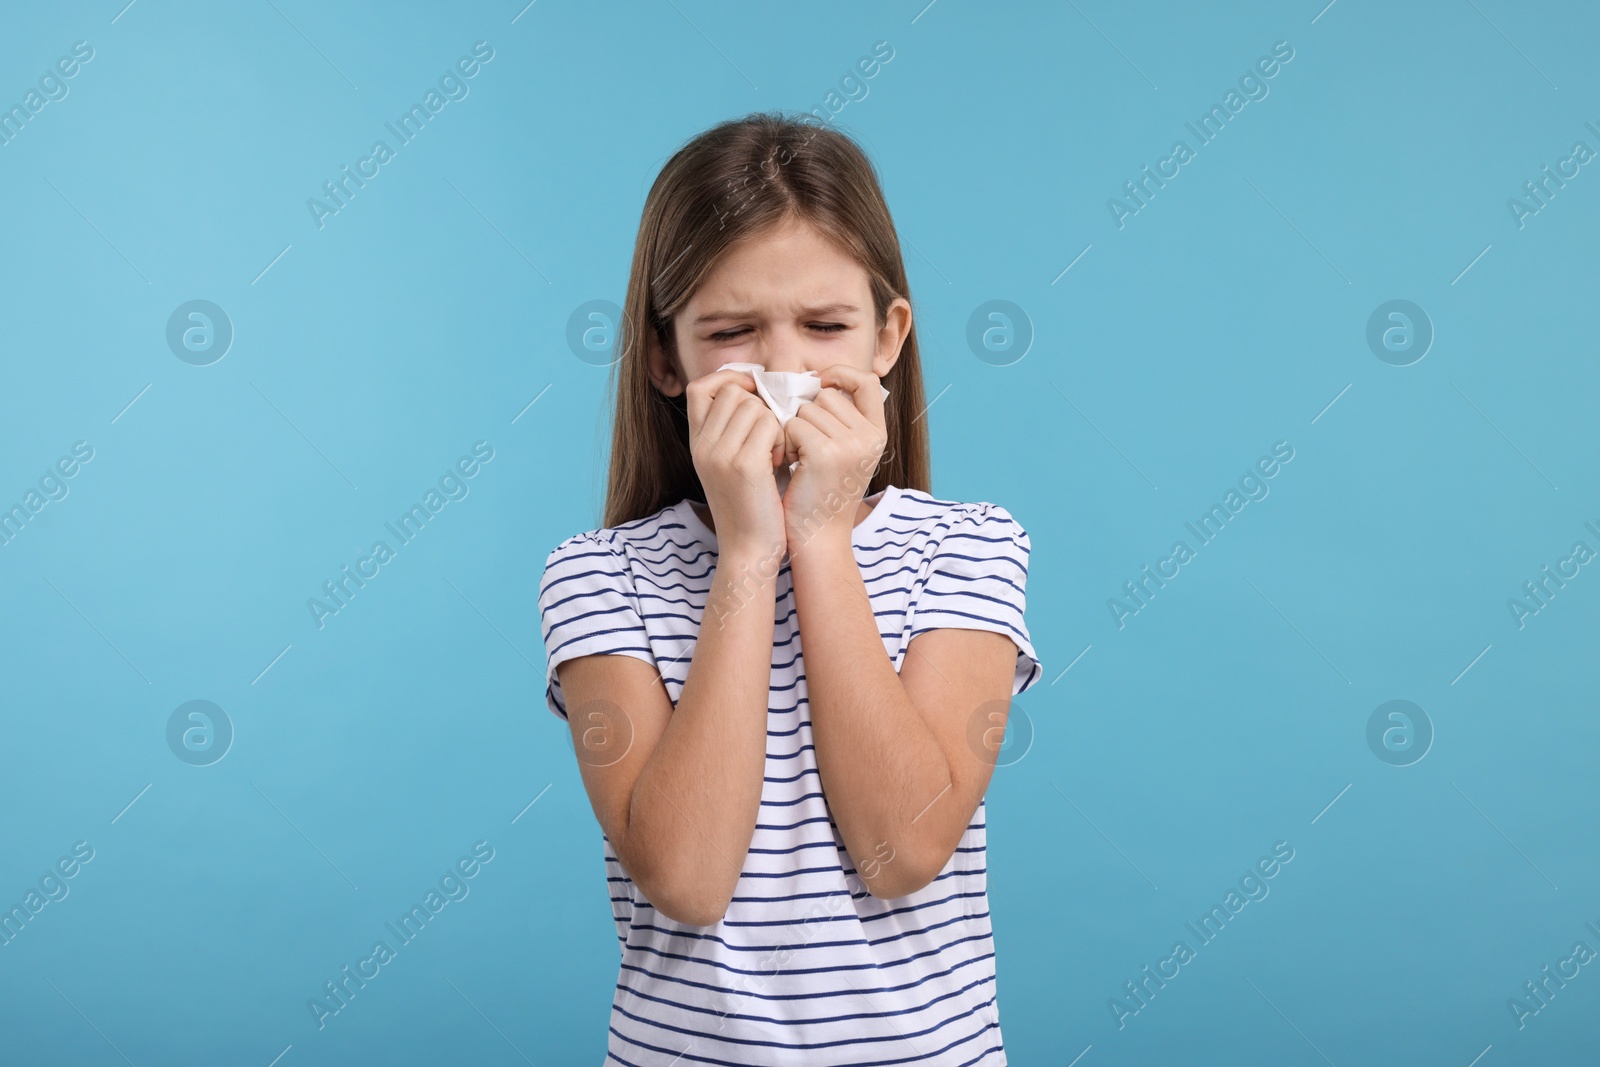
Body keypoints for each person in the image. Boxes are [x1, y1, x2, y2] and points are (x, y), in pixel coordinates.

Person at [538, 110, 1042, 1066]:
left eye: (825, 327)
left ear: (889, 337)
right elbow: (686, 878)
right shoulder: (599, 576)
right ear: (663, 356)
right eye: (731, 331)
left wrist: (818, 535)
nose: (784, 373)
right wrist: (744, 554)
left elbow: (904, 851)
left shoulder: (971, 550)